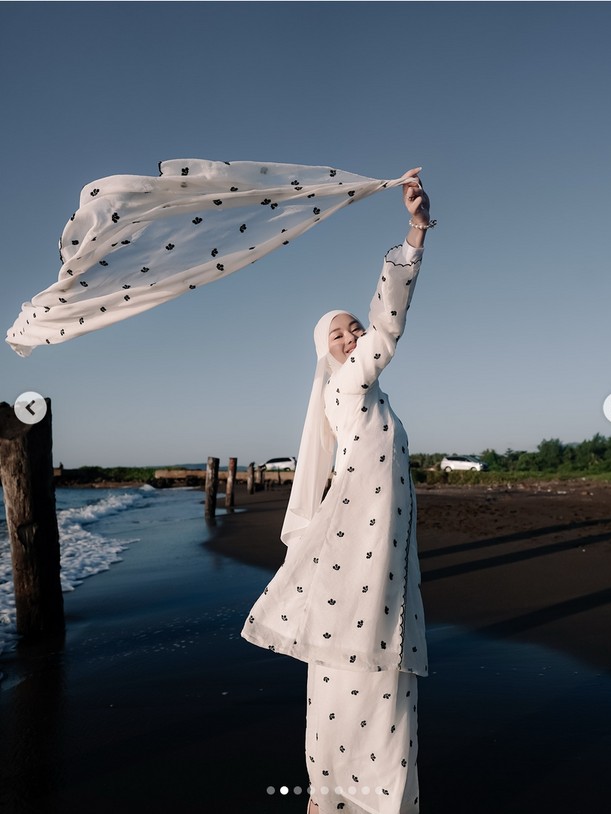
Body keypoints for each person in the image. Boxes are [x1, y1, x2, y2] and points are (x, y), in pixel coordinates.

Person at [242, 168, 433, 814]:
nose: (352, 337)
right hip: (363, 568)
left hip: (378, 568)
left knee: (354, 677)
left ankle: (333, 799)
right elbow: (389, 326)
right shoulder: (346, 385)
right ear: (326, 356)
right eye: (339, 334)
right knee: (364, 677)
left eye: (352, 329)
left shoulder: (368, 398)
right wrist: (413, 234)